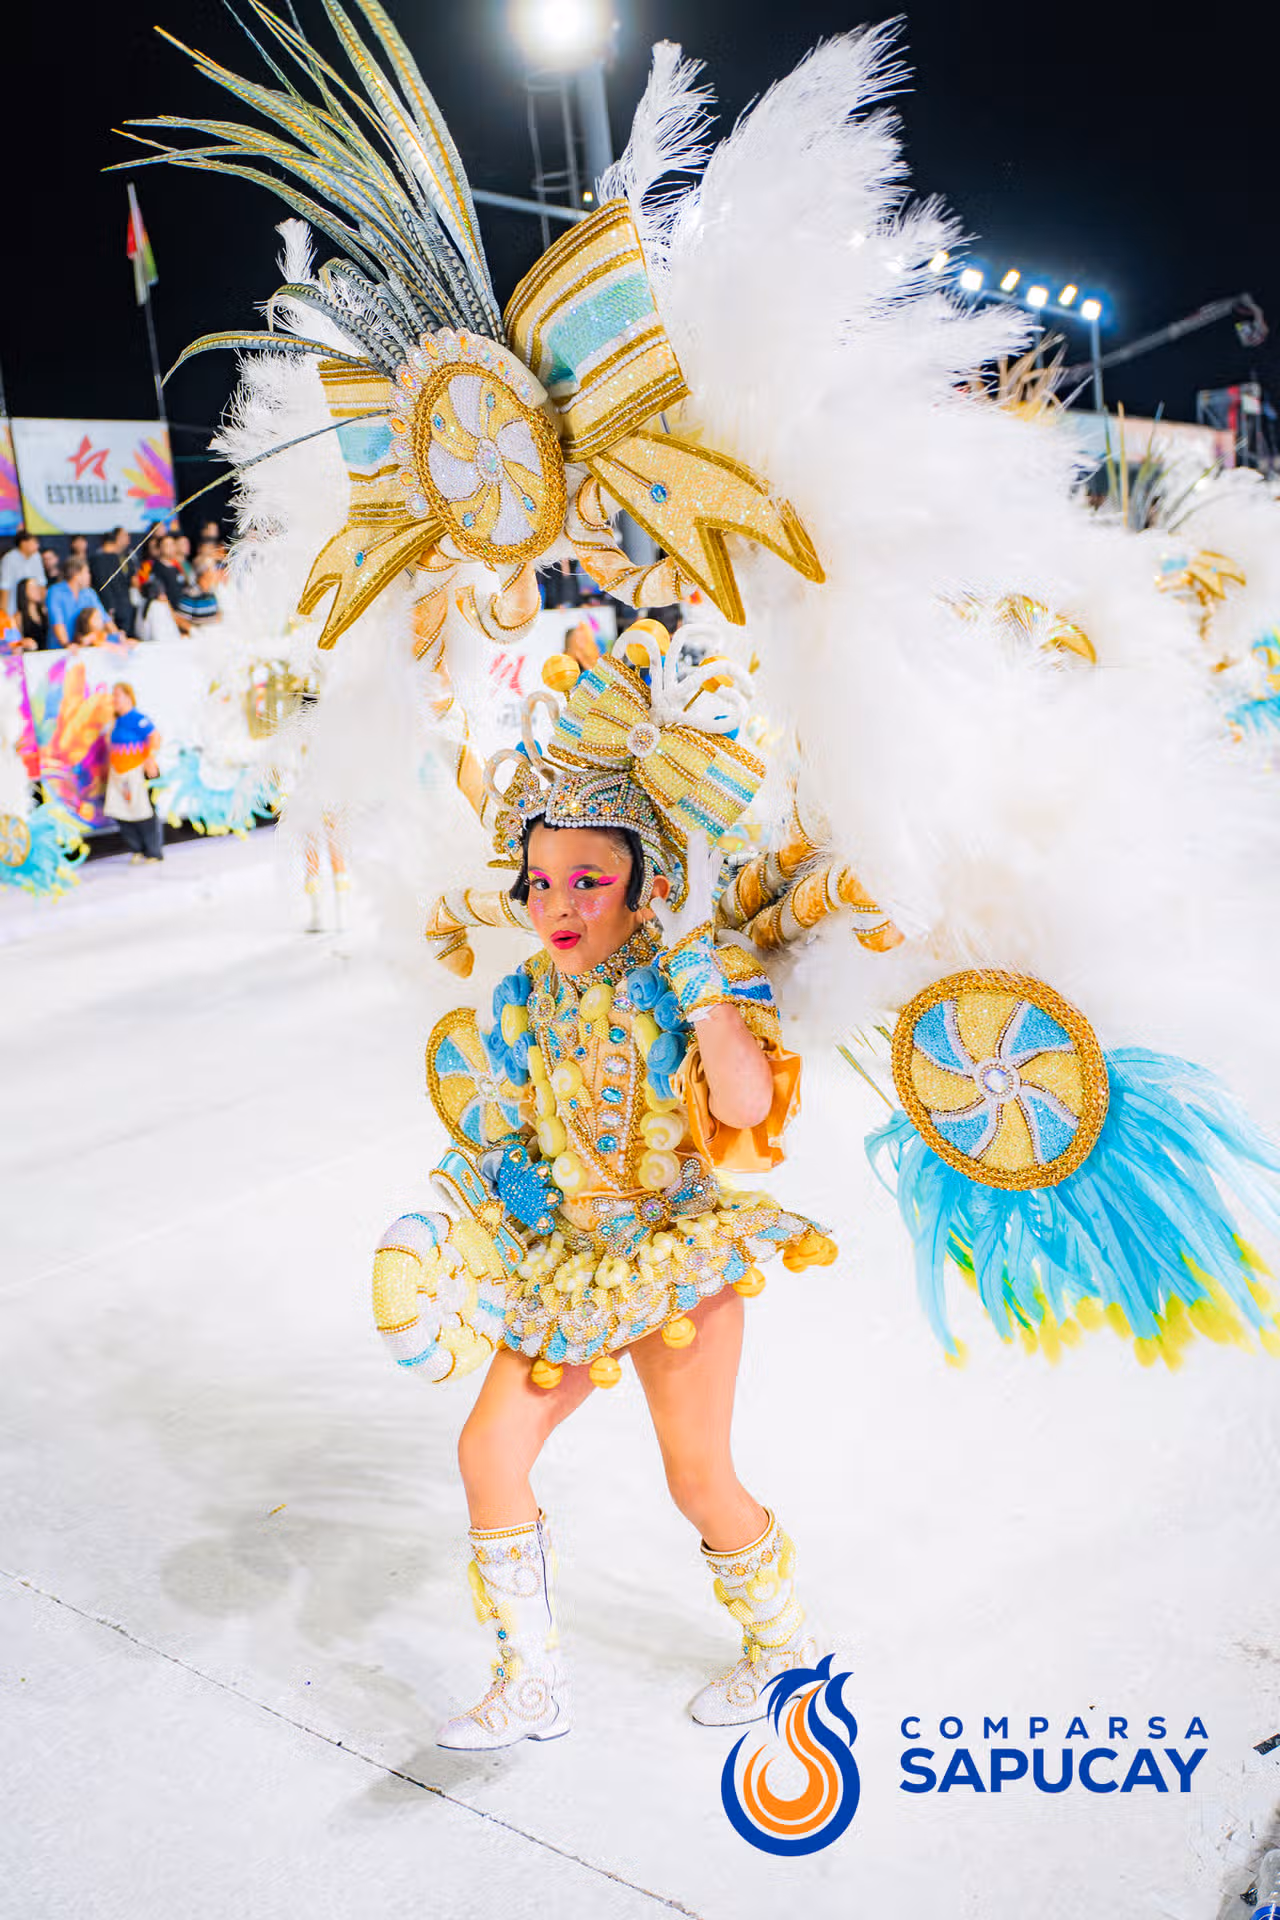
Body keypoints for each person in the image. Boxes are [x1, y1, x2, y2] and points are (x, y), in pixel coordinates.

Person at [104, 683, 164, 862]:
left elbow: (155, 736)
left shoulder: (137, 718)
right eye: (112, 695)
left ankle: (153, 852)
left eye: (117, 695)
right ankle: (137, 848)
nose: (114, 699)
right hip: (119, 774)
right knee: (121, 811)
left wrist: (150, 759)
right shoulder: (116, 722)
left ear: (128, 697)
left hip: (136, 772)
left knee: (143, 811)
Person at [46, 559, 113, 650]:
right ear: (76, 574)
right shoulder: (55, 592)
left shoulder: (89, 593)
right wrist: (67, 645)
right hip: (60, 650)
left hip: (84, 647)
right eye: (86, 572)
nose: (89, 576)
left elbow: (105, 618)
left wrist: (118, 637)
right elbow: (57, 622)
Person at [90, 528, 136, 636]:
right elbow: (102, 584)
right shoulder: (99, 559)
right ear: (116, 538)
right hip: (112, 611)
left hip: (125, 608)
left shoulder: (122, 557)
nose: (128, 539)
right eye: (125, 536)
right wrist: (110, 607)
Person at [0, 531, 45, 620]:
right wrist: (4, 614)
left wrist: (42, 606)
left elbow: (41, 583)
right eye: (34, 542)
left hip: (33, 610)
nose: (37, 545)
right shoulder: (9, 559)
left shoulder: (37, 557)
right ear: (23, 543)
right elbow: (5, 588)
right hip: (13, 608)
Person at [176, 558, 221, 626]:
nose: (215, 571)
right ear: (204, 572)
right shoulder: (190, 593)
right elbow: (181, 620)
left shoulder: (211, 592)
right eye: (213, 569)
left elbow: (217, 615)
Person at [15, 579, 46, 650]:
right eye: (33, 588)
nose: (37, 590)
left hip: (48, 655)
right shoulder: (19, 616)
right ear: (24, 592)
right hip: (30, 657)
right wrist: (24, 642)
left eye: (37, 587)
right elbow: (15, 643)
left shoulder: (44, 612)